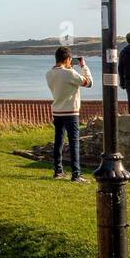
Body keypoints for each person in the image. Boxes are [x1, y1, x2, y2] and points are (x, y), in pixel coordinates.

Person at [45, 46, 93, 182]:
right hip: (71, 112)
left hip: (57, 111)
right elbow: (89, 83)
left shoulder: (49, 74)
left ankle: (58, 171)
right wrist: (83, 66)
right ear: (68, 59)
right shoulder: (70, 74)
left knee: (58, 141)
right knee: (74, 142)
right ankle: (76, 174)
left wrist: (70, 68)